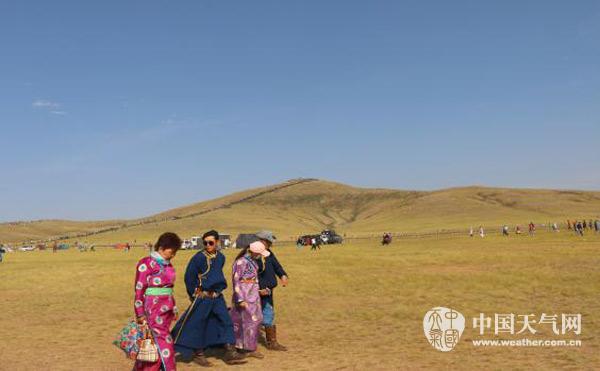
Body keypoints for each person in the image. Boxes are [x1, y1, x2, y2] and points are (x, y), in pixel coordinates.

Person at [172, 230, 246, 367]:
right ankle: (198, 354)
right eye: (205, 243)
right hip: (203, 297)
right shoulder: (198, 258)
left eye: (211, 242)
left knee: (226, 320)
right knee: (198, 324)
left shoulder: (221, 257)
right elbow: (189, 277)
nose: (207, 245)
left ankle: (230, 352)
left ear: (217, 242)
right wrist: (193, 293)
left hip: (217, 296)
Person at [133, 232, 182, 371]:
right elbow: (139, 289)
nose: (173, 255)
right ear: (161, 247)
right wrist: (140, 314)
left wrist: (174, 307)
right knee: (164, 341)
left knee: (152, 343)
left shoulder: (167, 265)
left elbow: (169, 288)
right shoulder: (146, 263)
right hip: (153, 309)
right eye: (171, 251)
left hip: (167, 309)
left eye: (175, 253)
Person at [230, 241, 269, 359]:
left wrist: (260, 291)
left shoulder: (252, 262)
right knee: (247, 322)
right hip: (244, 296)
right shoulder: (241, 262)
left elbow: (252, 279)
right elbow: (236, 280)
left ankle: (249, 346)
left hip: (253, 296)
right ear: (254, 252)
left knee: (256, 320)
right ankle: (246, 348)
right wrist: (240, 299)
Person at [255, 231, 289, 351]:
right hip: (255, 293)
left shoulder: (269, 254)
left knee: (268, 314)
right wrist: (257, 290)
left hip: (268, 292)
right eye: (269, 242)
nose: (270, 244)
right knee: (253, 316)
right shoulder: (253, 255)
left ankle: (271, 342)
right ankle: (245, 343)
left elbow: (277, 266)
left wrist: (283, 275)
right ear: (262, 241)